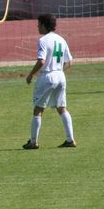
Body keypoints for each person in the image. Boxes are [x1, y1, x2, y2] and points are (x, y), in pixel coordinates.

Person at [23, 12, 75, 149]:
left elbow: (41, 61)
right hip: (60, 76)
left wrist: (31, 74)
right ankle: (70, 139)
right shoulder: (61, 39)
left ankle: (33, 142)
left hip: (47, 76)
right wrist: (58, 71)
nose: (37, 27)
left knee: (38, 109)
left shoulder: (43, 40)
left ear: (44, 25)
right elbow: (69, 62)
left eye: (38, 24)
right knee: (62, 108)